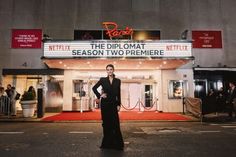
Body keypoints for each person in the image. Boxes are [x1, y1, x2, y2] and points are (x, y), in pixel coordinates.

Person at [92, 64, 124, 150]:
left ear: (113, 70)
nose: (109, 71)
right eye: (108, 69)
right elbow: (94, 88)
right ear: (106, 71)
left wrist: (119, 104)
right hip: (105, 104)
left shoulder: (118, 81)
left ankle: (117, 144)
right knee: (106, 124)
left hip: (113, 104)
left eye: (111, 69)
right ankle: (106, 144)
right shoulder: (103, 80)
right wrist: (100, 95)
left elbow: (118, 93)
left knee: (115, 124)